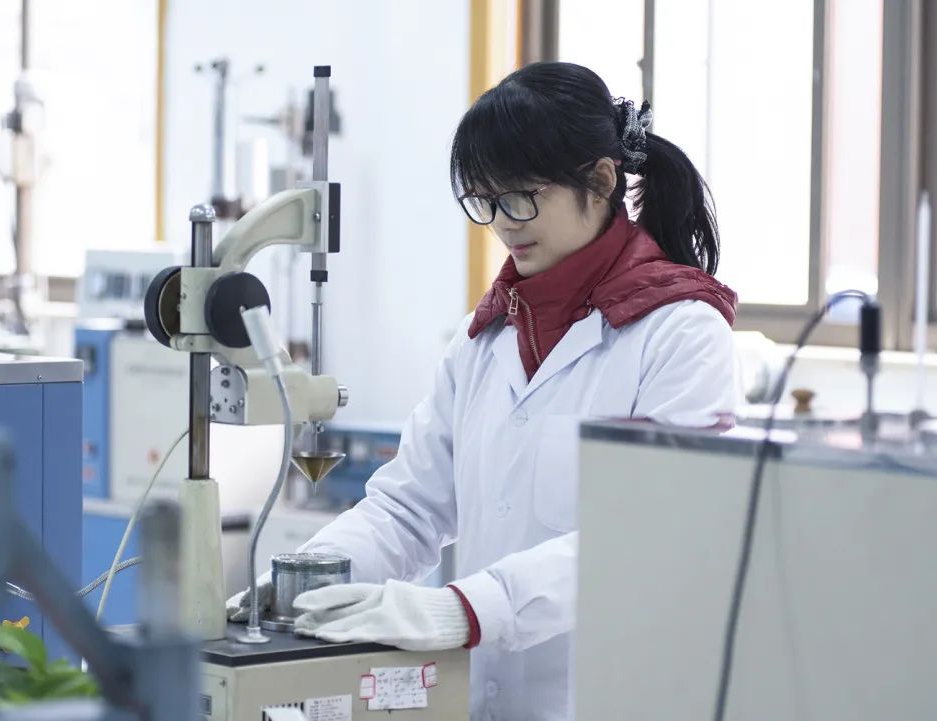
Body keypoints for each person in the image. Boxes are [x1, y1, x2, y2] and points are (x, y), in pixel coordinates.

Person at [228, 61, 740, 721]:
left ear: (601, 180)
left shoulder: (680, 332)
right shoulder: (488, 337)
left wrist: (468, 609)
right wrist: (303, 579)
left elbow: (651, 539)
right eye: (484, 201)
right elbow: (409, 508)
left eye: (521, 197)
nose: (503, 223)